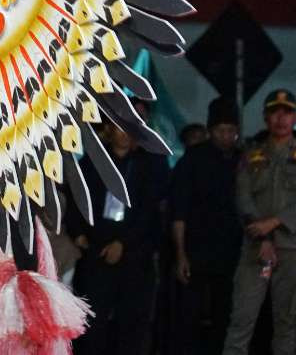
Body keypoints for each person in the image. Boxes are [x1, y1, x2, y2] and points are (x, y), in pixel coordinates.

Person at [66, 123, 170, 355]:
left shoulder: (148, 165)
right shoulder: (92, 163)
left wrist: (124, 242)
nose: (124, 133)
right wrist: (78, 233)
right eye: (118, 128)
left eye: (128, 128)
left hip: (135, 254)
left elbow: (150, 212)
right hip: (97, 251)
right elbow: (74, 199)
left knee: (132, 324)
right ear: (110, 131)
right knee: (93, 322)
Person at [222, 88, 296, 354]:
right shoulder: (251, 154)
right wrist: (262, 235)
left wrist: (274, 222)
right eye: (274, 112)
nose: (281, 118)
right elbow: (242, 197)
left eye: (287, 112)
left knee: (289, 325)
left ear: (295, 117)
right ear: (265, 117)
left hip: (291, 250)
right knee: (241, 321)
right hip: (255, 249)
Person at [169, 97, 242, 355]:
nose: (227, 136)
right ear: (211, 131)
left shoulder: (243, 160)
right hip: (196, 251)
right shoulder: (192, 161)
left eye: (232, 131)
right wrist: (181, 255)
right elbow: (179, 213)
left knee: (227, 315)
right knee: (188, 315)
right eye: (221, 131)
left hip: (233, 253)